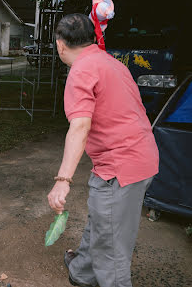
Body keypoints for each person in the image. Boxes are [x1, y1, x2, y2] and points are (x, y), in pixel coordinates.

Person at [46, 14, 159, 287]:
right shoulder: (111, 63)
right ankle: (82, 272)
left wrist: (62, 180)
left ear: (60, 45)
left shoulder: (81, 71)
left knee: (112, 256)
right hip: (142, 158)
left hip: (121, 167)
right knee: (102, 218)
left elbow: (80, 126)